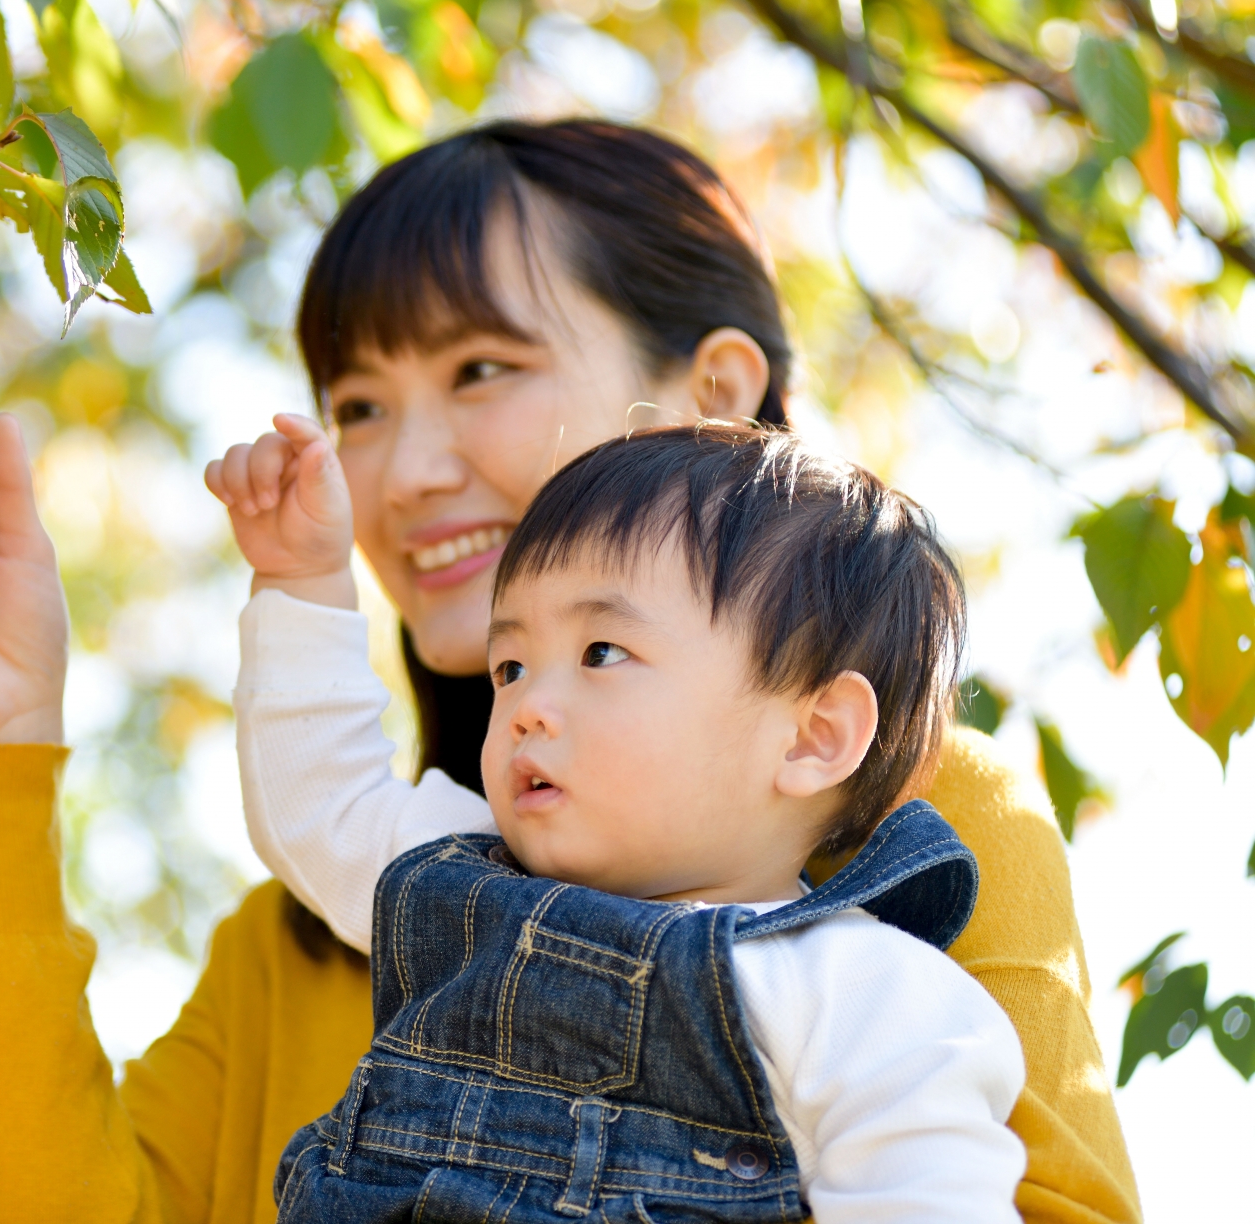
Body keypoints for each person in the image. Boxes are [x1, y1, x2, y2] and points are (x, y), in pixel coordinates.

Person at [0, 121, 1140, 1222]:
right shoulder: (315, 925)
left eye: (481, 370)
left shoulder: (919, 828)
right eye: (357, 404)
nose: (401, 474)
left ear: (713, 395)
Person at [211, 420, 1024, 1221]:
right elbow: (321, 804)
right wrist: (299, 579)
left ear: (812, 736)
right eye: (511, 666)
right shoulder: (464, 887)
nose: (527, 706)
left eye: (602, 652)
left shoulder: (863, 989)